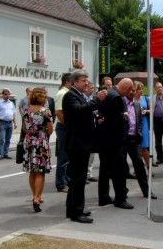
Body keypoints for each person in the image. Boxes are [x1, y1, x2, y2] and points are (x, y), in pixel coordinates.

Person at [63, 69, 103, 222]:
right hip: (77, 144)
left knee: (77, 179)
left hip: (82, 143)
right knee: (78, 179)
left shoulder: (79, 95)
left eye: (87, 80)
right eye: (83, 80)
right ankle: (76, 212)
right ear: (74, 82)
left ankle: (73, 208)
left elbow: (85, 113)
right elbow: (78, 112)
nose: (86, 83)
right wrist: (96, 100)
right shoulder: (70, 96)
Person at [97, 78, 134, 209]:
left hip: (104, 139)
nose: (130, 92)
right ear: (126, 88)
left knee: (105, 170)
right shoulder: (117, 97)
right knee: (119, 170)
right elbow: (118, 121)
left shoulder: (110, 93)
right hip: (114, 141)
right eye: (130, 89)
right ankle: (120, 199)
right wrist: (125, 117)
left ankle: (103, 197)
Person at [22, 87, 54, 212]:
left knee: (32, 171)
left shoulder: (26, 111)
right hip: (41, 142)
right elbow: (50, 129)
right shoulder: (46, 111)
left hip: (29, 141)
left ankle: (34, 195)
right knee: (40, 171)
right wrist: (43, 133)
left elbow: (25, 128)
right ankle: (37, 197)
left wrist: (32, 132)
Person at [123, 81, 153, 199]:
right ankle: (122, 192)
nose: (132, 92)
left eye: (133, 90)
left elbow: (139, 121)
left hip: (134, 139)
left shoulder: (136, 104)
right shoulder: (121, 103)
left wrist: (139, 132)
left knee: (139, 166)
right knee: (121, 167)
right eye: (130, 90)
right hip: (123, 139)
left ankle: (147, 191)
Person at [53, 73, 71, 191]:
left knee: (68, 156)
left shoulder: (67, 93)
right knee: (63, 157)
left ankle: (66, 180)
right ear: (68, 81)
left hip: (67, 127)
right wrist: (69, 125)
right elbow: (59, 112)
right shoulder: (62, 93)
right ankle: (60, 183)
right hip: (64, 127)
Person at [0, 88, 16, 159]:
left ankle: (5, 153)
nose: (7, 96)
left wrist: (15, 123)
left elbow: (13, 114)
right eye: (6, 94)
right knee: (2, 139)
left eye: (8, 94)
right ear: (2, 95)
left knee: (8, 139)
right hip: (2, 123)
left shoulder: (11, 103)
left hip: (10, 123)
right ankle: (0, 154)